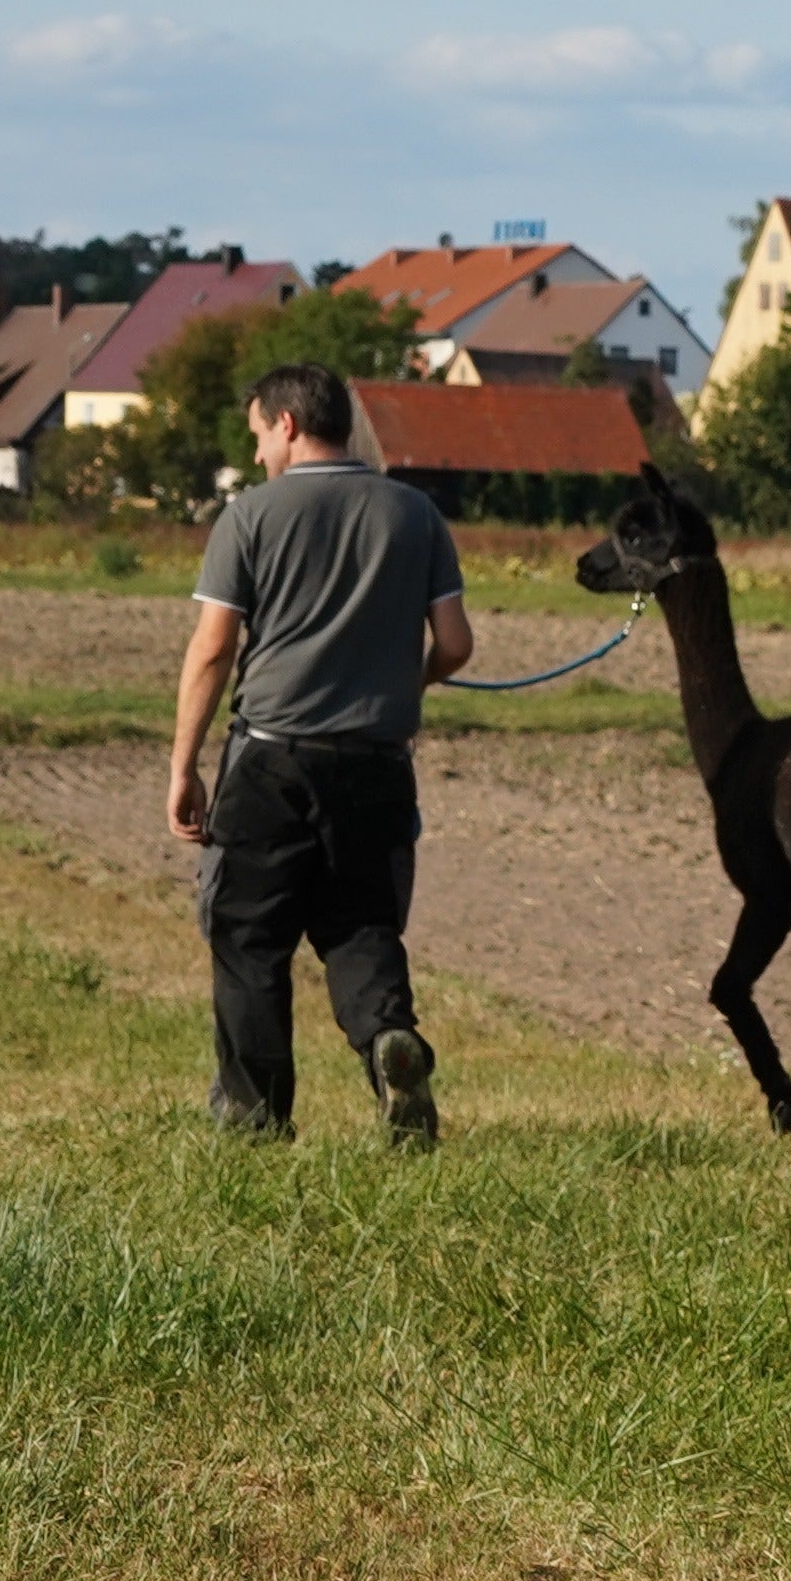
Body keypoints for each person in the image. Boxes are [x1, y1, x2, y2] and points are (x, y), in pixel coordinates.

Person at [166, 361, 471, 1145]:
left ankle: (255, 1115)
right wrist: (405, 685)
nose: (260, 453)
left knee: (249, 938)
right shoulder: (415, 514)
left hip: (271, 758)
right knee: (362, 926)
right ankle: (387, 1044)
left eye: (260, 435)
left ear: (288, 424)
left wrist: (183, 765)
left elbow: (212, 649)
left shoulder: (250, 517)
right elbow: (457, 644)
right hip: (376, 764)